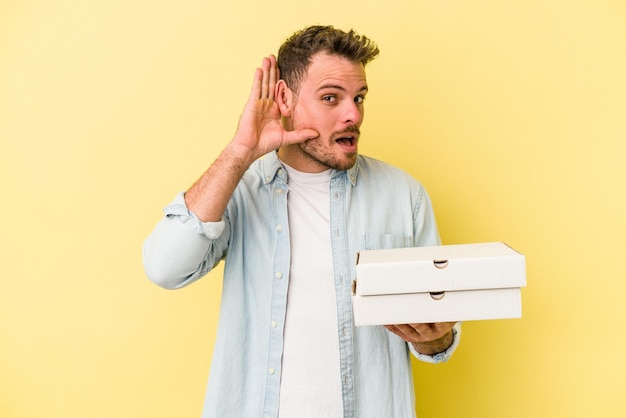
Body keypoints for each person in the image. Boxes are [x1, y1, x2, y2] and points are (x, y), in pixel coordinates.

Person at [143, 25, 461, 418]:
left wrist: (434, 338)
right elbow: (164, 267)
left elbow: (441, 334)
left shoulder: (403, 195)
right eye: (332, 98)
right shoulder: (241, 191)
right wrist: (240, 151)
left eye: (359, 98)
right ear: (284, 99)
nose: (353, 114)